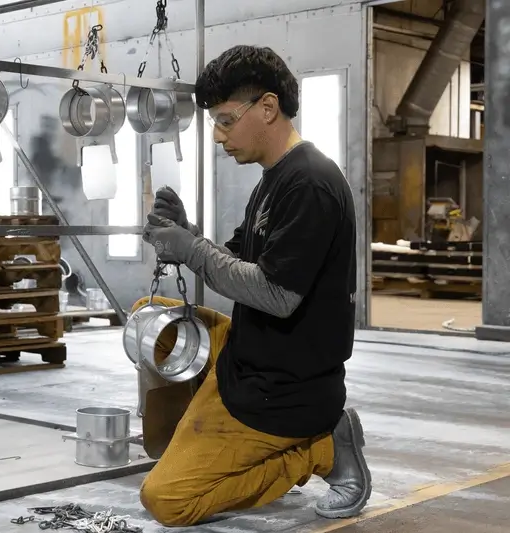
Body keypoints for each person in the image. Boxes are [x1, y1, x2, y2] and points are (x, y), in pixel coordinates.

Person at [134, 44, 371, 526]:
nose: (219, 137)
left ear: (267, 107)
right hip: (250, 352)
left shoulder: (310, 184)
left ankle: (321, 447)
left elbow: (277, 296)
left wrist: (189, 249)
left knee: (167, 501)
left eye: (225, 121)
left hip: (284, 388)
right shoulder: (274, 179)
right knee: (149, 315)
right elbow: (239, 258)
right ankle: (201, 429)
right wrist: (190, 234)